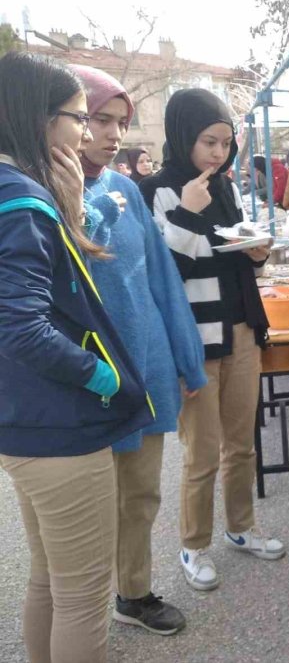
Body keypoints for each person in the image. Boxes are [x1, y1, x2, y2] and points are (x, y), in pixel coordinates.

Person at [0, 51, 154, 663]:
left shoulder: (19, 188)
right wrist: (107, 378)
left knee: (51, 580)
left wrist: (70, 202)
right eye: (78, 117)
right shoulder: (20, 199)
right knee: (85, 595)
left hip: (26, 422)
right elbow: (22, 328)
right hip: (60, 426)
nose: (87, 133)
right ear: (39, 118)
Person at [73, 65, 208, 635]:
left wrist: (184, 357)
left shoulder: (123, 188)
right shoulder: (36, 192)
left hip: (144, 363)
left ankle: (134, 592)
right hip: (80, 378)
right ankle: (77, 611)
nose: (111, 134)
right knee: (83, 510)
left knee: (142, 493)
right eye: (97, 119)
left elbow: (160, 280)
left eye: (119, 122)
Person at [140, 88, 285, 593]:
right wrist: (185, 211)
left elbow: (230, 250)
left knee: (241, 444)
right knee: (201, 452)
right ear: (183, 136)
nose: (218, 153)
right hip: (194, 338)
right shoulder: (154, 189)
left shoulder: (224, 185)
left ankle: (241, 528)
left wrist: (257, 253)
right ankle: (193, 544)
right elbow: (165, 269)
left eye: (225, 143)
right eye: (208, 141)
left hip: (241, 325)